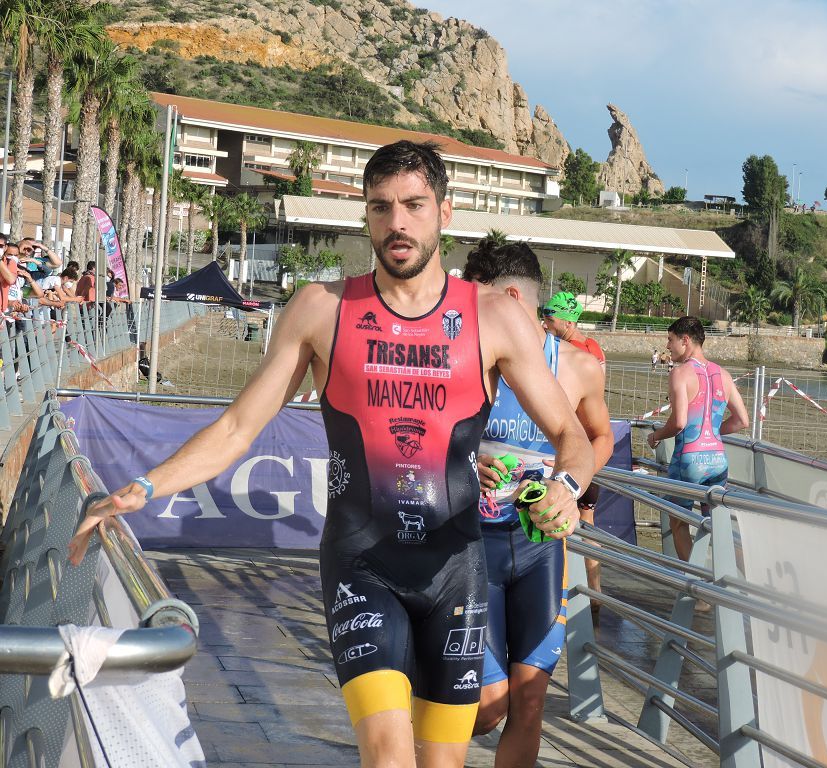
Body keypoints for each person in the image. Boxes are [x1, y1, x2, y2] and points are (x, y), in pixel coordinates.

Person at [69, 140, 594, 768]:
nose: (397, 222)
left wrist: (566, 486)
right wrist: (142, 489)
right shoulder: (322, 310)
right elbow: (239, 427)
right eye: (381, 208)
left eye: (414, 205)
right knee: (387, 755)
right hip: (361, 568)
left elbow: (574, 438)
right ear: (366, 218)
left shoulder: (493, 320)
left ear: (445, 212)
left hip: (457, 571)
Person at [464, 240, 613, 768]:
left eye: (474, 297)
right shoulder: (466, 360)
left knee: (528, 705)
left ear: (507, 297)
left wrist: (566, 487)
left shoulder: (577, 367)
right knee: (485, 708)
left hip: (539, 548)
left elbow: (600, 438)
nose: (465, 310)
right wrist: (460, 465)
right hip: (471, 550)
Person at [646, 316, 749, 561]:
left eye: (670, 340)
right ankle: (746, 581)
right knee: (718, 525)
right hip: (717, 459)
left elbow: (679, 422)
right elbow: (742, 421)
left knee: (678, 522)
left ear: (685, 340)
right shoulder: (723, 374)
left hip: (689, 460)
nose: (668, 347)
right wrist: (711, 432)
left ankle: (698, 589)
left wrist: (657, 435)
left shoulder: (680, 373)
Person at [541, 290, 607, 598]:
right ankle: (594, 591)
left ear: (566, 321)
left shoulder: (566, 354)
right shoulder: (594, 349)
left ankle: (565, 592)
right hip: (589, 456)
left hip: (569, 457)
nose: (544, 325)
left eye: (550, 319)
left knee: (561, 527)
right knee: (587, 523)